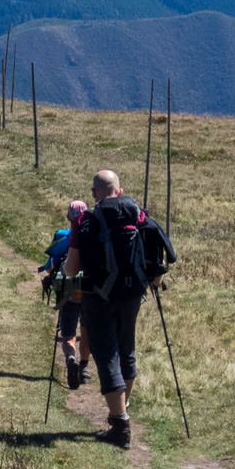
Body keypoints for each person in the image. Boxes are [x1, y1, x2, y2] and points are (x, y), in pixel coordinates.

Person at [63, 170, 172, 448]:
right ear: (120, 191)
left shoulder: (86, 221)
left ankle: (120, 425)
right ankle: (123, 409)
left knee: (106, 355)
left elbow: (72, 269)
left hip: (98, 296)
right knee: (127, 350)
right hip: (133, 294)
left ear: (94, 193)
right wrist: (155, 282)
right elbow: (156, 256)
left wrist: (65, 272)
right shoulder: (138, 216)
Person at [40, 200, 91, 389]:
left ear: (69, 216)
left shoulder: (62, 236)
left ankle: (71, 358)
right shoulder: (93, 236)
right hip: (89, 291)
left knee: (68, 333)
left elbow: (51, 266)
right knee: (86, 331)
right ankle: (84, 369)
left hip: (68, 291)